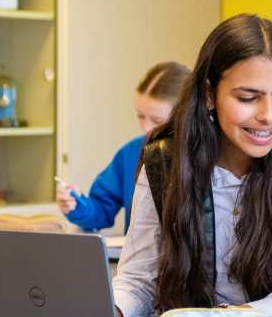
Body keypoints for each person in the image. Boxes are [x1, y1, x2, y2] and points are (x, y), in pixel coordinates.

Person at [112, 14, 272, 317]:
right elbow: (138, 280)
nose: (268, 116)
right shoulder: (165, 157)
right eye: (247, 98)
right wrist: (105, 310)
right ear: (210, 94)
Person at [56, 61, 189, 232]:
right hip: (136, 258)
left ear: (185, 114)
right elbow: (101, 209)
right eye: (141, 116)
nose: (146, 128)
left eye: (157, 121)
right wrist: (76, 205)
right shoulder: (130, 153)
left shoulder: (207, 156)